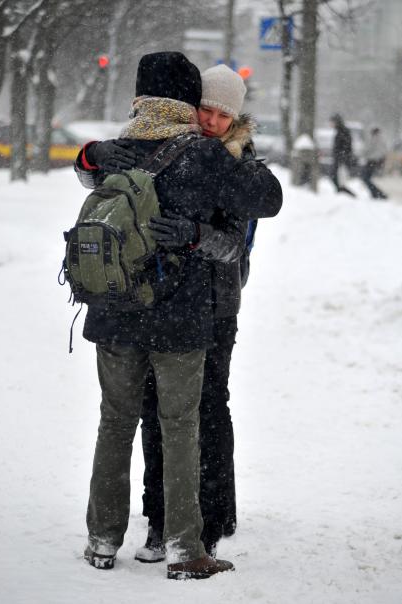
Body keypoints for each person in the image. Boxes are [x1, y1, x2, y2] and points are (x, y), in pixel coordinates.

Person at [73, 51, 283, 580]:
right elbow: (269, 199)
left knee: (115, 423)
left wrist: (89, 156)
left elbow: (85, 172)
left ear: (139, 97)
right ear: (185, 102)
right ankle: (184, 549)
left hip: (114, 311)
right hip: (178, 317)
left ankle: (102, 540)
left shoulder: (115, 149)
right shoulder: (200, 156)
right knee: (181, 426)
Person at [135, 64, 259, 564]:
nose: (211, 121)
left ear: (235, 118)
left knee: (208, 407)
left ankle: (213, 513)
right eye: (205, 109)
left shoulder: (237, 163)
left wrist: (196, 237)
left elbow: (238, 246)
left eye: (222, 114)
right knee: (157, 409)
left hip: (217, 307)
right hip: (167, 305)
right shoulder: (176, 154)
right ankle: (159, 513)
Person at [329, 113, 356, 197]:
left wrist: (342, 158)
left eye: (332, 122)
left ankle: (347, 195)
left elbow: (346, 146)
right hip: (340, 159)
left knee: (337, 179)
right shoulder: (340, 131)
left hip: (341, 159)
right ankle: (342, 194)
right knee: (335, 178)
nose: (330, 124)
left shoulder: (343, 131)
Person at [361, 127, 388, 199]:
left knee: (365, 178)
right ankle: (377, 193)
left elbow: (367, 150)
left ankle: (377, 194)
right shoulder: (382, 140)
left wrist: (363, 155)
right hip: (376, 161)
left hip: (371, 161)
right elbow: (384, 152)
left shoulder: (374, 139)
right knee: (367, 178)